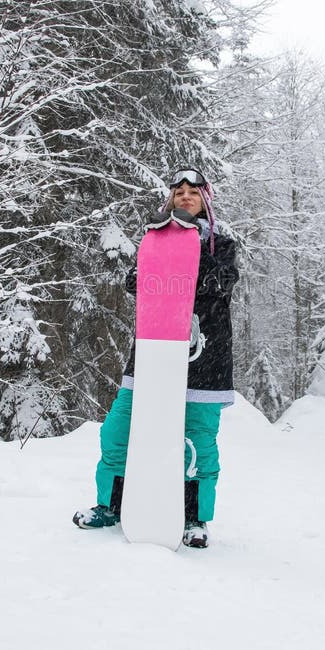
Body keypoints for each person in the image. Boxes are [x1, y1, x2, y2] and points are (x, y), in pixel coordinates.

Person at [73, 168, 239, 548]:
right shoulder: (156, 238)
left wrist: (190, 244)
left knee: (197, 441)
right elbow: (134, 282)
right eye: (178, 191)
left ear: (205, 200)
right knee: (117, 431)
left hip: (204, 360)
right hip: (151, 355)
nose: (184, 196)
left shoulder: (221, 243)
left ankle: (194, 518)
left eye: (192, 192)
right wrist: (166, 240)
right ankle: (111, 505)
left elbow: (222, 283)